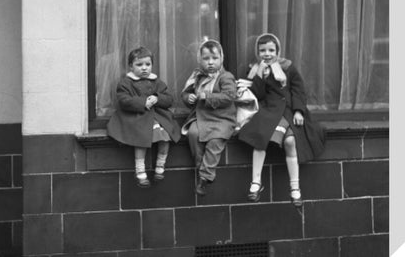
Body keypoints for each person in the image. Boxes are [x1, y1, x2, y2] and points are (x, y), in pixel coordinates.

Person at [237, 33, 325, 207]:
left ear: (277, 50)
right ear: (257, 52)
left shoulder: (288, 67)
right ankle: (256, 182)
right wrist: (260, 76)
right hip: (268, 110)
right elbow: (258, 94)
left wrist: (299, 111)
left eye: (271, 50)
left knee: (291, 142)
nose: (267, 54)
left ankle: (295, 188)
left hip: (288, 111)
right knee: (260, 140)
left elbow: (298, 90)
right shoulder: (255, 69)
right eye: (262, 50)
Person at [107, 46, 181, 188]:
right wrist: (142, 102)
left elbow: (169, 98)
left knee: (166, 136)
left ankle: (160, 165)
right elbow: (124, 100)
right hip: (137, 117)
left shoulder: (157, 82)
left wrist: (157, 98)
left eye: (148, 64)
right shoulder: (126, 82)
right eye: (139, 65)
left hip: (157, 117)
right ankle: (140, 170)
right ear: (131, 66)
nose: (144, 68)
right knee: (140, 138)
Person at [181, 39, 237, 196]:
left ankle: (206, 177)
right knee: (193, 133)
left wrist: (207, 96)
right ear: (200, 60)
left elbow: (229, 96)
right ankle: (200, 167)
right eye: (206, 59)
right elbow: (186, 92)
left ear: (221, 59)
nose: (210, 62)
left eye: (214, 58)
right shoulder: (197, 76)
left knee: (215, 141)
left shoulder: (225, 76)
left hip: (222, 118)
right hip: (201, 116)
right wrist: (188, 98)